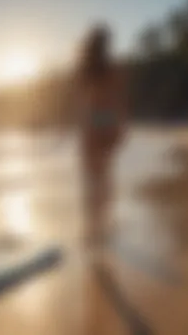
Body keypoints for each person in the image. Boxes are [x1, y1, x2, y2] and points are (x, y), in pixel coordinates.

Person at [72, 24, 128, 252]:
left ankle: (93, 228)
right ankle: (100, 226)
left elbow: (83, 100)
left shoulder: (84, 67)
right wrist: (119, 125)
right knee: (103, 177)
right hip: (104, 121)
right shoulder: (108, 68)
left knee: (92, 178)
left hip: (90, 123)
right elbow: (115, 98)